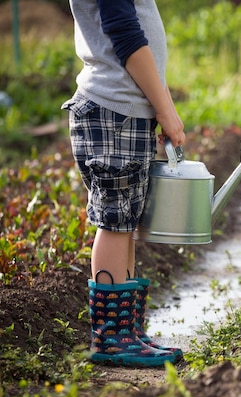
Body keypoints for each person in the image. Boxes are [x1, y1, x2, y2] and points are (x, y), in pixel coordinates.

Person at [61, 0, 186, 367]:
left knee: (125, 224)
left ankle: (128, 330)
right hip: (115, 110)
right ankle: (112, 337)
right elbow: (128, 38)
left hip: (125, 111)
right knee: (115, 223)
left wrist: (162, 105)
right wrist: (164, 108)